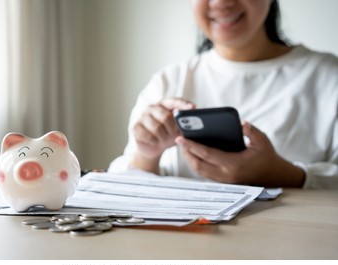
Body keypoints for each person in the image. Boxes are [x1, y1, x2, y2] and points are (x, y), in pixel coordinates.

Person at [108, 0, 338, 189]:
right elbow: (122, 189)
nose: (221, 2)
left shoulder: (329, 78)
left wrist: (282, 174)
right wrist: (147, 155)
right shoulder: (168, 82)